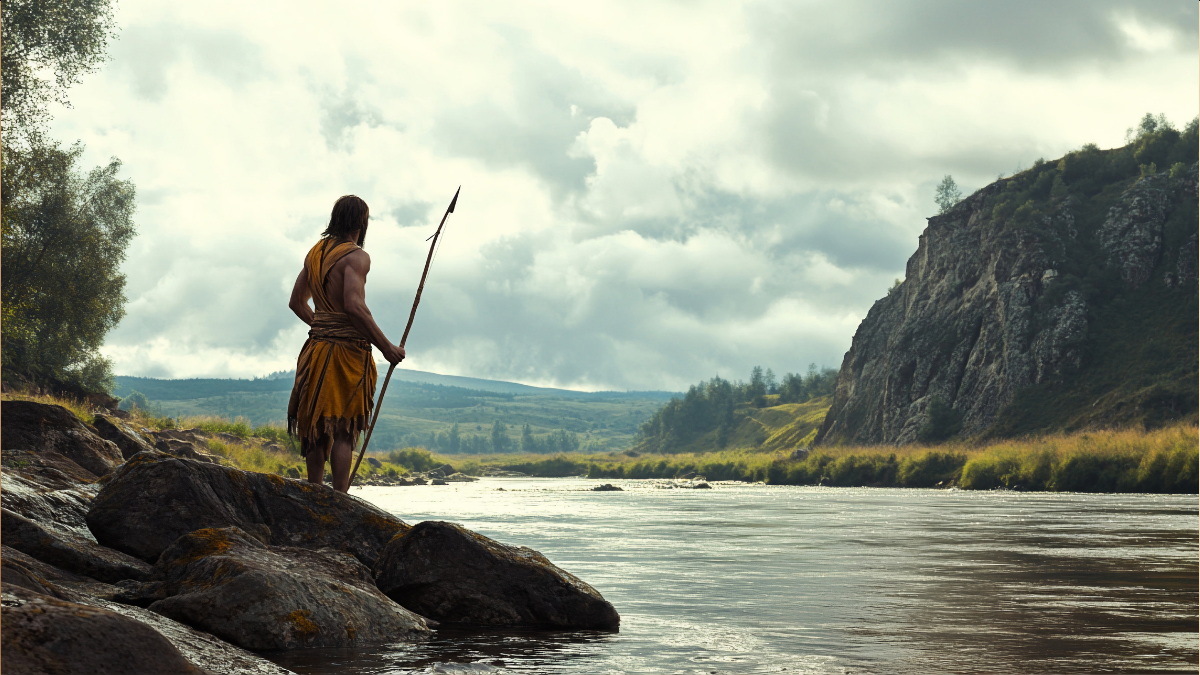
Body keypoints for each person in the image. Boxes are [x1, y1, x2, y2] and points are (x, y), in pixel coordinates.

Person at [287, 195, 405, 491]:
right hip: (346, 355)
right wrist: (386, 347)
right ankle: (340, 499)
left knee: (316, 425)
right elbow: (354, 306)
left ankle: (313, 490)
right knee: (344, 428)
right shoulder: (356, 257)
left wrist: (324, 327)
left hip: (316, 350)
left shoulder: (315, 253)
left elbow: (296, 302)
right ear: (362, 222)